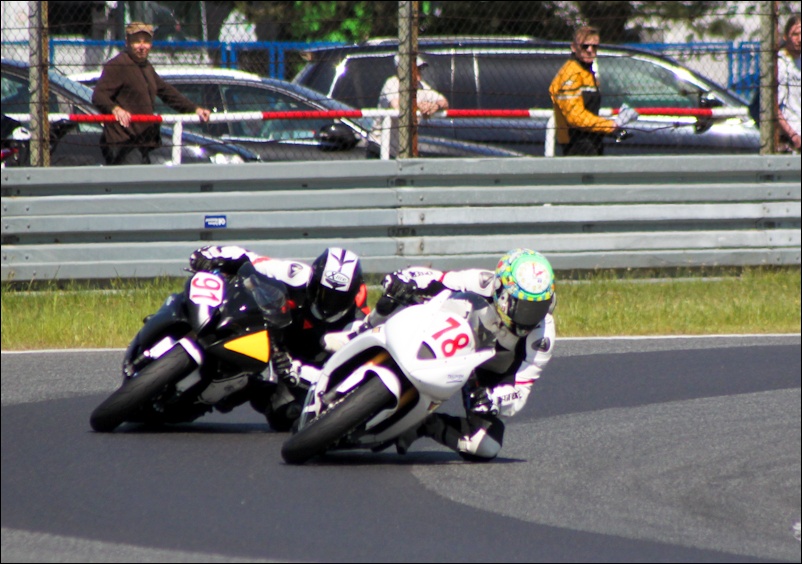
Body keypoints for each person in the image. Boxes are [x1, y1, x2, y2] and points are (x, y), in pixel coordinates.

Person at [330, 249, 556, 461]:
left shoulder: (543, 335)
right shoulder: (480, 281)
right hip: (453, 334)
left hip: (489, 372)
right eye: (524, 308)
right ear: (502, 293)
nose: (531, 318)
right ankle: (359, 334)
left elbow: (522, 389)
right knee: (396, 297)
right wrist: (404, 279)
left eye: (538, 308)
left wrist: (494, 399)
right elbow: (436, 278)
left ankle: (424, 424)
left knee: (487, 446)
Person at [187, 244, 370, 430]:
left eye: (339, 298)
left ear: (354, 293)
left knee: (288, 415)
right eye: (322, 292)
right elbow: (251, 260)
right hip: (262, 332)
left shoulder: (357, 323)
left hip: (294, 370)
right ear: (313, 279)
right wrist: (212, 256)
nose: (329, 302)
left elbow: (343, 378)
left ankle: (239, 391)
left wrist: (297, 371)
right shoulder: (296, 274)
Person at [91, 22, 212, 165]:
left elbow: (167, 93)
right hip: (123, 144)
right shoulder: (118, 65)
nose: (142, 46)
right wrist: (115, 109)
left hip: (143, 142)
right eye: (137, 41)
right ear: (127, 42)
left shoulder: (146, 67)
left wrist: (195, 109)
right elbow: (99, 96)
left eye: (146, 42)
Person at [549, 26, 636, 156]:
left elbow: (589, 112)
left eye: (594, 47)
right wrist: (609, 125)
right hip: (576, 143)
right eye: (585, 46)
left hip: (591, 140)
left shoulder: (587, 72)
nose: (590, 50)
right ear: (574, 47)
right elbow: (575, 117)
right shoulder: (571, 73)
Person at [369, 54, 449, 158]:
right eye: (414, 69)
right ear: (401, 70)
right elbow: (396, 105)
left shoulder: (421, 86)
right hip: (380, 145)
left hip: (401, 148)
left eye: (419, 69)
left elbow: (444, 101)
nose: (418, 73)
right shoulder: (393, 83)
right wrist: (418, 106)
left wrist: (435, 106)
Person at [777, 15, 801, 152]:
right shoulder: (780, 63)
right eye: (795, 34)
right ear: (786, 37)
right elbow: (774, 107)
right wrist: (792, 135)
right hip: (790, 134)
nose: (800, 39)